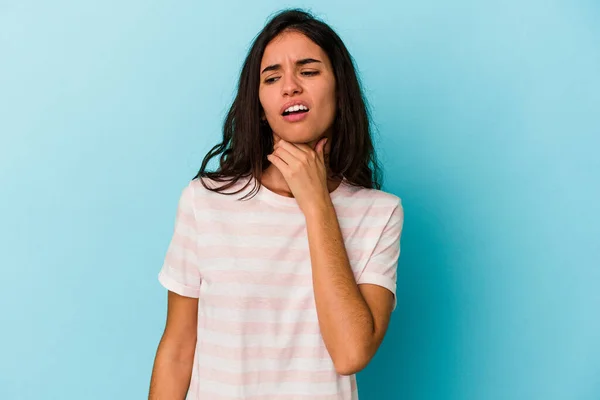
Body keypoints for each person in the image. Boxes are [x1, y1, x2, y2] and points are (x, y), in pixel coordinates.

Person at [148, 8, 404, 400]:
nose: (290, 87)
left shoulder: (380, 214)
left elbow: (351, 352)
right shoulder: (205, 202)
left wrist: (317, 203)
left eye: (309, 70)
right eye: (272, 77)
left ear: (340, 90)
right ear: (262, 106)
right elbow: (178, 350)